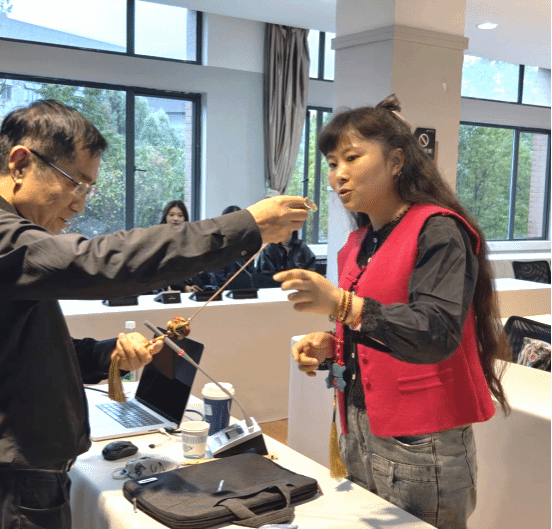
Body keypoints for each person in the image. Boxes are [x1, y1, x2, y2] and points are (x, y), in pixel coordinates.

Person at [0, 99, 309, 529]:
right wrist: (244, 226)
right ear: (21, 163)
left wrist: (108, 356)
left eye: (88, 190)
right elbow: (98, 261)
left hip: (16, 485)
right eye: (75, 184)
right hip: (0, 494)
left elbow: (20, 351)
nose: (79, 205)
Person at [274, 95, 510, 529]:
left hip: (421, 439)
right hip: (359, 427)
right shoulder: (360, 241)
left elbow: (435, 331)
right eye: (331, 163)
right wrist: (332, 344)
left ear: (397, 160)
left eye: (352, 158)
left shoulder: (439, 230)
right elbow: (375, 323)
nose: (338, 175)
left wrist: (341, 304)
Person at [158, 199, 209, 292]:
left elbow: (197, 267)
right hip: (168, 290)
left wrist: (194, 286)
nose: (175, 218)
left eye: (180, 215)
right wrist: (184, 287)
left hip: (192, 288)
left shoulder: (191, 238)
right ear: (165, 217)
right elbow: (162, 271)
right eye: (171, 215)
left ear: (185, 218)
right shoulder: (159, 239)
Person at [204, 205, 255, 290]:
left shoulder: (248, 247)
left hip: (246, 292)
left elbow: (252, 275)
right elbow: (218, 280)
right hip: (223, 293)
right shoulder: (217, 248)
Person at [254, 229, 319, 288]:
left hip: (298, 289)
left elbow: (311, 274)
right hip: (274, 291)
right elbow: (266, 278)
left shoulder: (302, 248)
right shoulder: (268, 249)